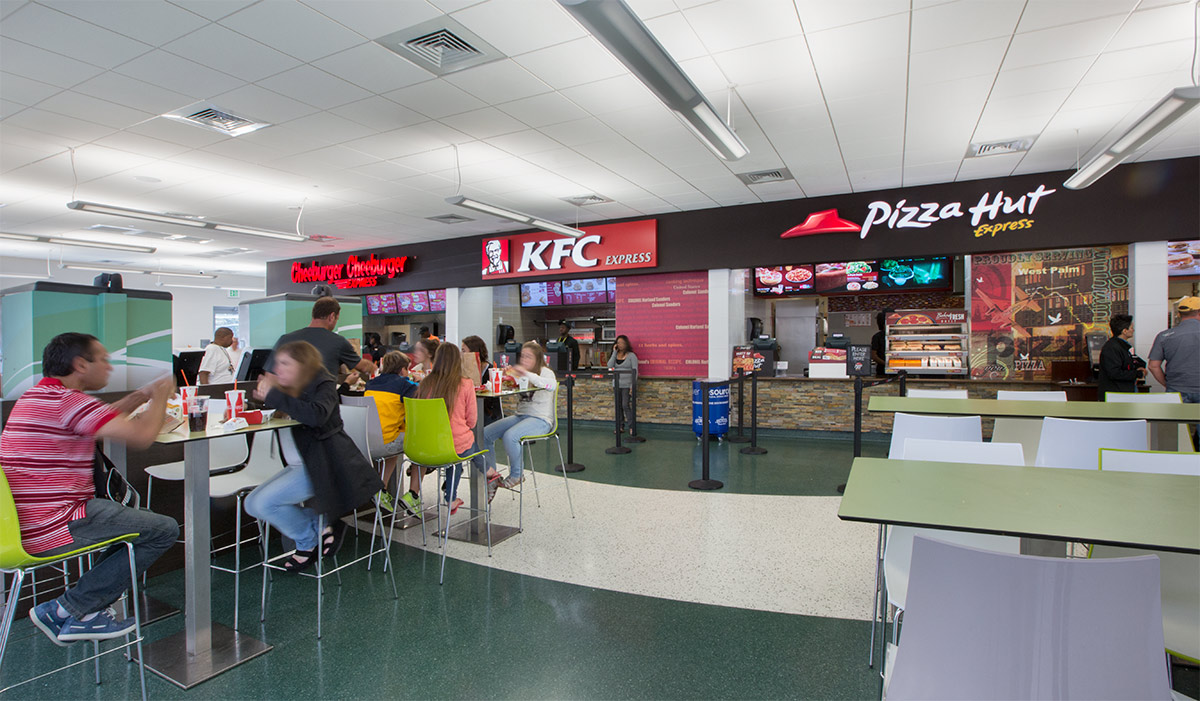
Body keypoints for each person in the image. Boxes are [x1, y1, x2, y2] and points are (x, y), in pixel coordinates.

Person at [1, 332, 179, 644]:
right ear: (81, 364)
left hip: (20, 525)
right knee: (163, 529)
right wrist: (162, 393)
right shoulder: (69, 402)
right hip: (56, 523)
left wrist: (142, 395)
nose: (109, 367)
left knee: (132, 525)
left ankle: (87, 611)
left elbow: (102, 418)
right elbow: (141, 437)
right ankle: (66, 609)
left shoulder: (40, 396)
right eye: (104, 360)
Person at [245, 340, 382, 573]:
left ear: (303, 365)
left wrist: (275, 395)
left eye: (285, 364)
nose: (278, 369)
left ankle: (310, 537)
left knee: (261, 502)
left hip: (323, 465)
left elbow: (316, 416)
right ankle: (319, 527)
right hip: (299, 465)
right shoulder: (290, 386)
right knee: (252, 504)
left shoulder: (323, 384)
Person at [478, 341, 558, 500]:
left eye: (529, 357)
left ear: (538, 359)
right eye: (522, 356)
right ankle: (492, 477)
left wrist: (525, 373)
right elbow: (504, 387)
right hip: (521, 415)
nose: (524, 360)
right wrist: (505, 377)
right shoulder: (519, 374)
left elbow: (551, 386)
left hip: (541, 419)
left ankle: (517, 475)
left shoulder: (545, 372)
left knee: (510, 436)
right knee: (484, 434)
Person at [412, 343, 478, 516]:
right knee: (462, 447)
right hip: (451, 448)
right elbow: (472, 421)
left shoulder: (424, 383)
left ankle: (451, 496)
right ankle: (452, 496)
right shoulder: (465, 384)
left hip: (423, 448)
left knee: (454, 451)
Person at [266, 297, 376, 380]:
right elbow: (363, 367)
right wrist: (375, 369)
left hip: (288, 406)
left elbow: (270, 375)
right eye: (337, 319)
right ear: (332, 316)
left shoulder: (285, 339)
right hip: (323, 406)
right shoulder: (338, 342)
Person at [364, 351, 419, 515]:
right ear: (403, 370)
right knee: (417, 442)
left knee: (391, 446)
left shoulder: (370, 384)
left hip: (366, 443)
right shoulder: (404, 385)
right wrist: (414, 382)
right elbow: (416, 400)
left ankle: (381, 489)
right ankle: (413, 495)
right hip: (387, 443)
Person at [1148, 296, 1200, 449]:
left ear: (1179, 314)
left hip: (1176, 391)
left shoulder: (1164, 336)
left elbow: (1153, 366)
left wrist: (1168, 383)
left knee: (1176, 437)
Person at [1097, 314, 1144, 399]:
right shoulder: (1112, 348)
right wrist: (1137, 374)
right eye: (1131, 328)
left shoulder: (1124, 346)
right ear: (1124, 331)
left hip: (1124, 392)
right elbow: (1114, 373)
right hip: (1117, 395)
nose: (1133, 330)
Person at [461, 335, 501, 424]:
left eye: (463, 351)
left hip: (488, 413)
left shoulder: (491, 371)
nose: (461, 354)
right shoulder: (463, 372)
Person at [607, 335, 639, 434]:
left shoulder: (631, 356)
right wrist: (614, 352)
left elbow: (635, 371)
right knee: (618, 406)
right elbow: (609, 366)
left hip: (627, 385)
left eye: (622, 343)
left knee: (625, 405)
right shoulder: (615, 354)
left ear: (626, 344)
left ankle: (631, 426)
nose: (620, 345)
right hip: (616, 384)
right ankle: (620, 426)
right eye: (618, 343)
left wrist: (632, 386)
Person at [870, 311, 890, 377]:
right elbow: (874, 356)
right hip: (882, 371)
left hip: (888, 370)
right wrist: (886, 364)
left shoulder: (896, 335)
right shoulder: (877, 337)